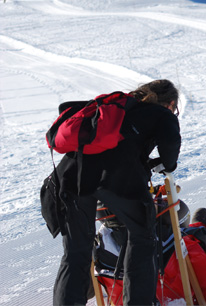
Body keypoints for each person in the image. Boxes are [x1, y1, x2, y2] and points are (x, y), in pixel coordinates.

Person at [53, 79, 181, 306]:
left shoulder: (116, 108)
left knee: (76, 252)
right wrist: (166, 164)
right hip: (117, 178)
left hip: (70, 176)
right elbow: (170, 148)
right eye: (175, 109)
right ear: (170, 103)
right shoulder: (161, 114)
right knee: (142, 238)